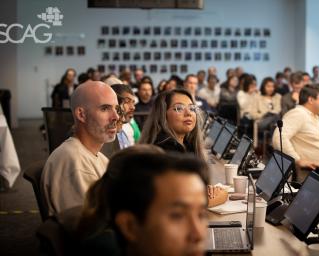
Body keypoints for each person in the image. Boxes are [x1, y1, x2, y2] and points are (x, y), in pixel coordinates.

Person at [76, 145, 210, 256]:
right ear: (130, 226)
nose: (198, 234)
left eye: (202, 214)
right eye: (177, 216)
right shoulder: (106, 248)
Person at [41, 81, 119, 215]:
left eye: (116, 109)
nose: (116, 117)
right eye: (105, 108)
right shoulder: (75, 163)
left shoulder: (95, 156)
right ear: (81, 115)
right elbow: (91, 227)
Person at [139, 88, 206, 160]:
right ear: (163, 115)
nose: (188, 113)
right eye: (179, 108)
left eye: (192, 108)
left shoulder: (186, 144)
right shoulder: (167, 150)